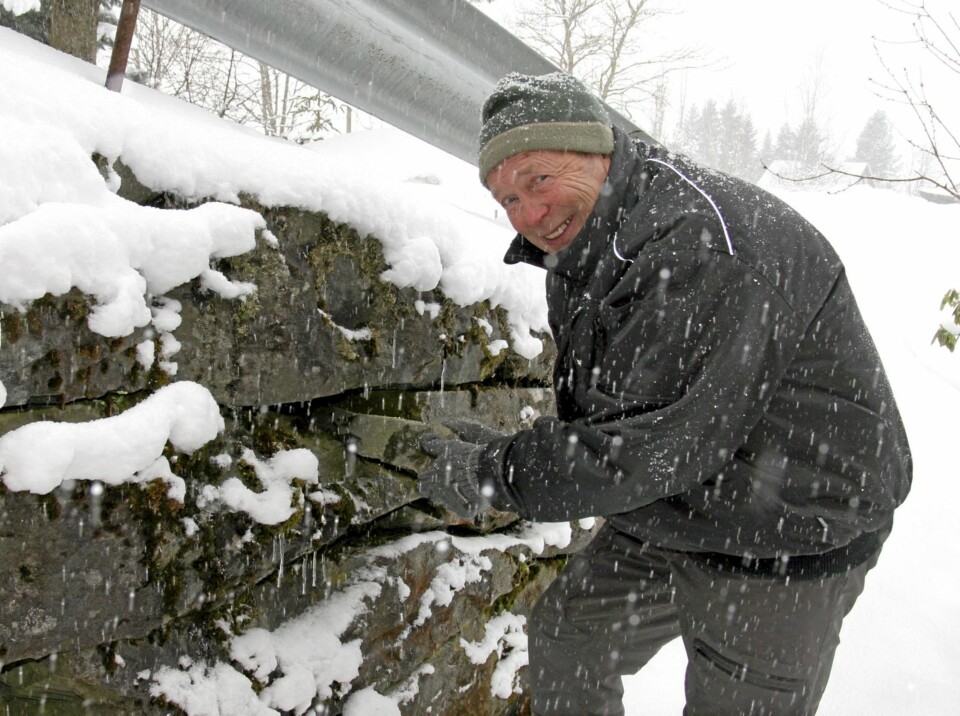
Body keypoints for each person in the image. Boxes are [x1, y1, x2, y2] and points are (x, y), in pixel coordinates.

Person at [419, 72, 912, 715]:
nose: (529, 215)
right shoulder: (587, 238)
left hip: (785, 530)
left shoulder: (701, 245)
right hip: (674, 502)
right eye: (507, 197)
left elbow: (650, 449)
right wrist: (514, 457)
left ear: (596, 150)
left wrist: (500, 473)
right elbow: (625, 413)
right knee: (570, 640)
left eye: (539, 179)